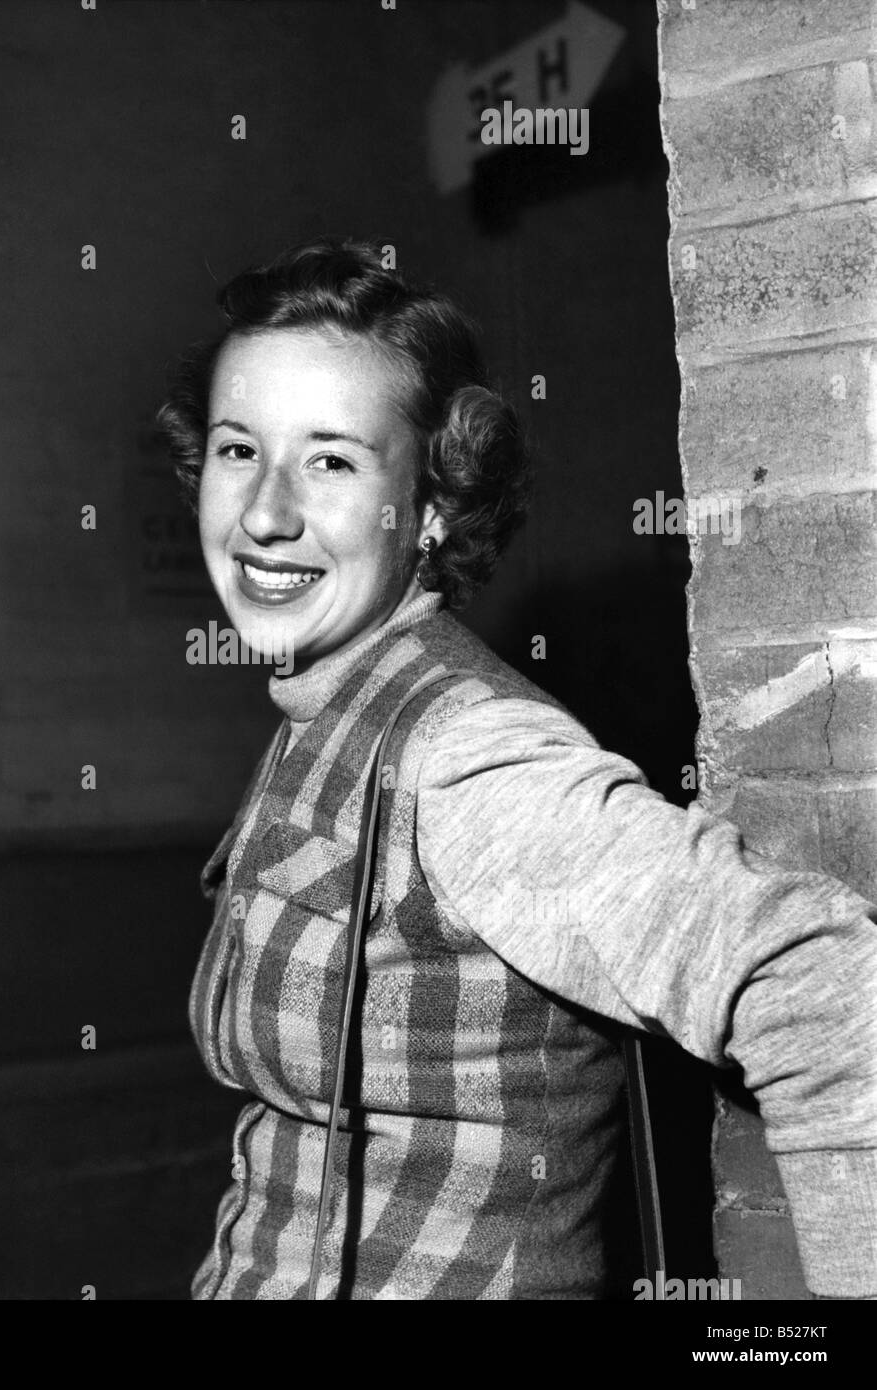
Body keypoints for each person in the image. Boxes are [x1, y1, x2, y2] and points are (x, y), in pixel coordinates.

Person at [155, 236, 876, 1301]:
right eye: (235, 449)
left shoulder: (468, 756)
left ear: (434, 503)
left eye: (332, 460)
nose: (264, 512)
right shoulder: (328, 704)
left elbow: (822, 984)